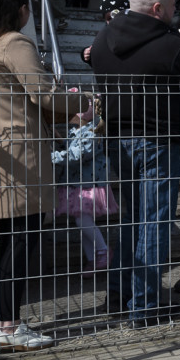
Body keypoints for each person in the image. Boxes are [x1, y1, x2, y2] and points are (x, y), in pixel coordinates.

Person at [0, 0, 82, 350]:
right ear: (21, 10)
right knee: (18, 244)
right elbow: (44, 92)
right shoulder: (14, 43)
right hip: (20, 160)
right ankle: (12, 327)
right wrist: (88, 101)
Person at [90, 0, 180, 325]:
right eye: (172, 7)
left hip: (117, 142)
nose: (175, 13)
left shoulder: (101, 39)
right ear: (158, 9)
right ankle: (146, 306)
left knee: (130, 218)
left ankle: (118, 293)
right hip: (159, 141)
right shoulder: (169, 46)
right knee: (154, 222)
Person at [51, 106, 116, 277]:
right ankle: (93, 258)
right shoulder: (78, 130)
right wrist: (60, 141)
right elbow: (72, 146)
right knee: (82, 221)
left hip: (88, 183)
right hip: (78, 182)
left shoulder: (92, 132)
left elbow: (77, 155)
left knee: (82, 220)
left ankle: (102, 251)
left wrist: (51, 157)